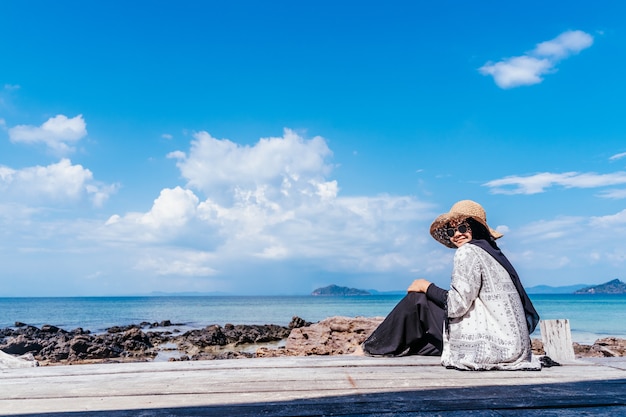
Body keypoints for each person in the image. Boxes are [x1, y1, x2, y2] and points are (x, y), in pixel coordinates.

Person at [361, 200, 541, 370]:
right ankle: (385, 347)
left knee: (417, 301)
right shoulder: (493, 254)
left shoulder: (468, 251)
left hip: (490, 347)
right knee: (422, 342)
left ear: (476, 228)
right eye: (450, 231)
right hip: (514, 349)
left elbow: (456, 306)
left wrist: (426, 287)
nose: (456, 234)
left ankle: (368, 349)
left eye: (463, 227)